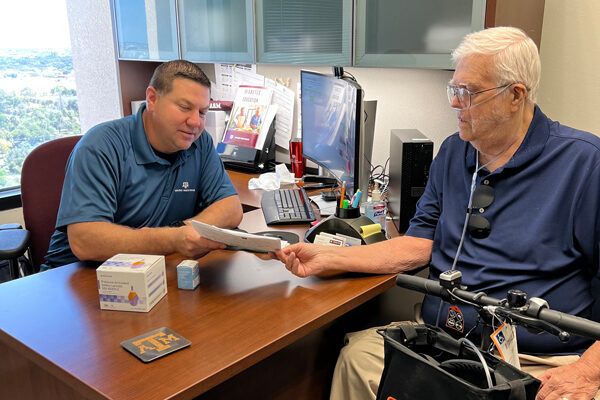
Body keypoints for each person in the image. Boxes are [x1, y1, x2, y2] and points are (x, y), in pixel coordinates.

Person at [272, 27, 600, 400]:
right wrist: (330, 257)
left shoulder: (586, 165)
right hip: (443, 345)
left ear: (515, 95)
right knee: (358, 359)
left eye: (468, 92)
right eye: (453, 89)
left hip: (536, 360)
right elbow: (418, 241)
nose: (454, 103)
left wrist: (587, 373)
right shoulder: (453, 153)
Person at [43, 60, 243, 269]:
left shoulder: (199, 143)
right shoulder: (100, 146)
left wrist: (184, 232)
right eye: (185, 108)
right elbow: (85, 241)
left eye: (202, 112)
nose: (195, 122)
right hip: (80, 274)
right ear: (152, 99)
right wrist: (174, 239)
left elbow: (230, 208)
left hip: (152, 268)